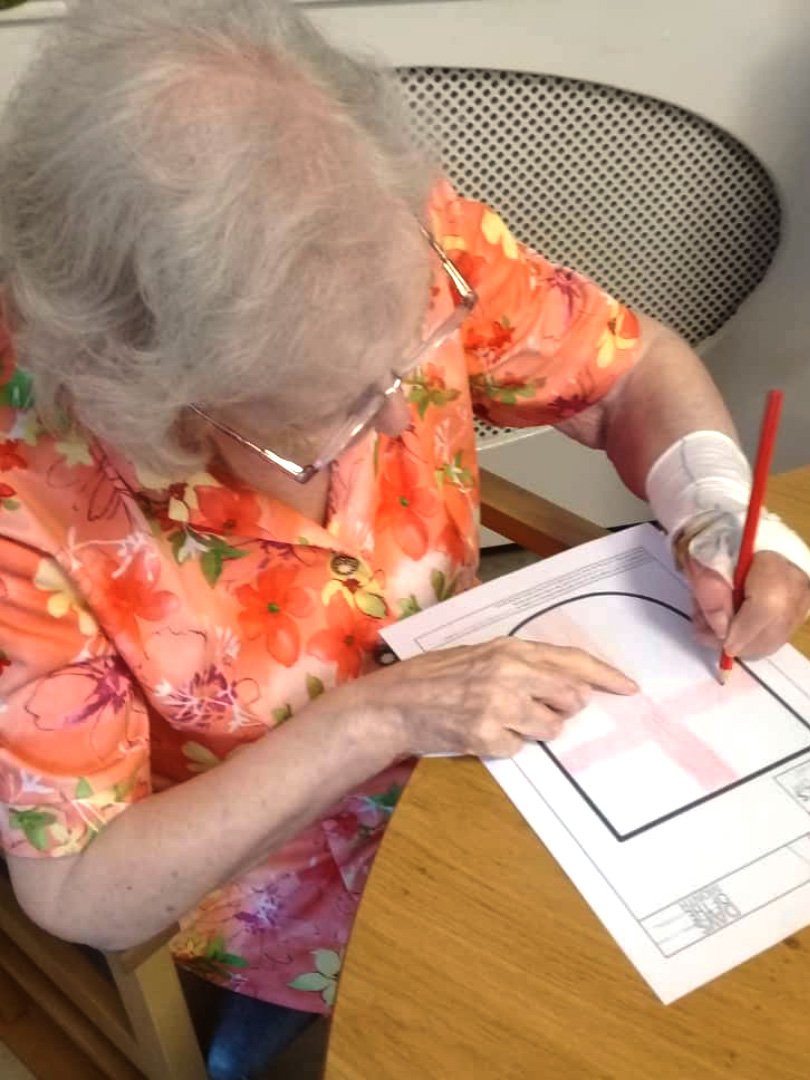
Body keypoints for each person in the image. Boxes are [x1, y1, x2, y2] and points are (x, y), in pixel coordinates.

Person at [0, 0, 808, 1076]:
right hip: (284, 904)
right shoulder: (28, 504)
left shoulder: (377, 237)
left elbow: (626, 375)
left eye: (408, 359)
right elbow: (80, 887)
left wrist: (713, 502)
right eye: (327, 411)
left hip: (524, 768)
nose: (400, 421)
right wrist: (375, 717)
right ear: (162, 408)